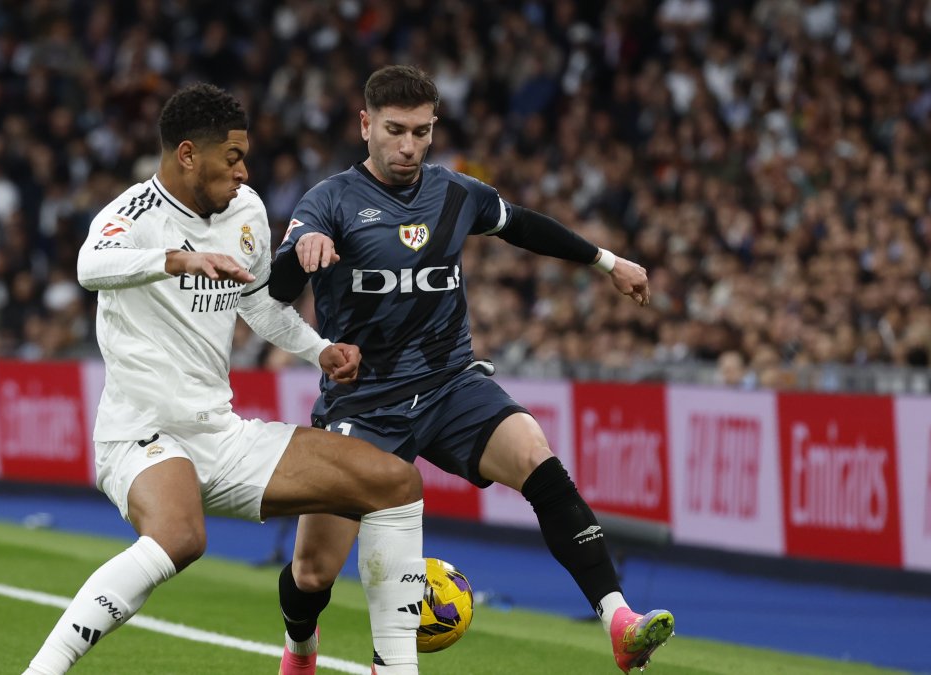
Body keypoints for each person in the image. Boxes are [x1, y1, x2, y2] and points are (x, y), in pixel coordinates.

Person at [268, 66, 674, 674]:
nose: (408, 146)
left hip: (450, 384)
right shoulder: (328, 201)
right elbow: (276, 289)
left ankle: (617, 618)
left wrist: (606, 262)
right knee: (311, 573)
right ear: (365, 125)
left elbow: (525, 227)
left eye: (422, 132)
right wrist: (301, 258)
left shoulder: (456, 193)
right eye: (395, 130)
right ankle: (301, 647)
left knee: (538, 458)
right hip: (363, 406)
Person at [22, 84, 426, 675]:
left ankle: (393, 667)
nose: (243, 171)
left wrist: (319, 350)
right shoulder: (133, 214)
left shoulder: (247, 211)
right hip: (141, 433)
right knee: (182, 536)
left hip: (219, 433)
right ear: (188, 154)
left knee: (395, 483)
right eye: (232, 157)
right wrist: (176, 258)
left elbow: (259, 304)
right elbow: (90, 267)